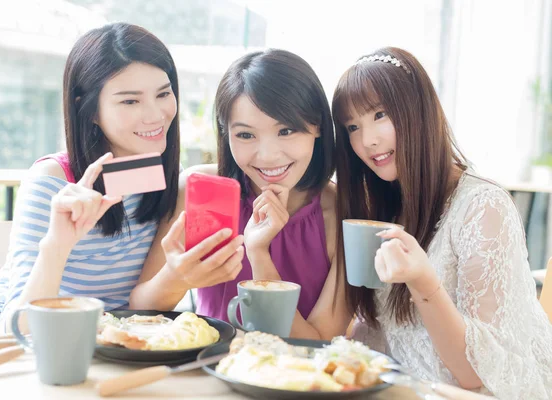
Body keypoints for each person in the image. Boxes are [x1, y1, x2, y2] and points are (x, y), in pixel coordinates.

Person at [331, 47, 552, 399]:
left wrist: (423, 282)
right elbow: (379, 329)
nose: (367, 140)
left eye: (380, 114)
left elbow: (475, 375)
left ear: (418, 112)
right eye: (352, 127)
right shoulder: (386, 206)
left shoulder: (483, 209)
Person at [0, 23, 187, 338]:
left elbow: (140, 304)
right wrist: (59, 244)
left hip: (95, 342)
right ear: (88, 109)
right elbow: (19, 326)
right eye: (130, 101)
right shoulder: (52, 181)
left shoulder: (164, 178)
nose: (156, 114)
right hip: (2, 340)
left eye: (163, 93)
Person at [130, 49, 350, 339]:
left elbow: (318, 343)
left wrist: (259, 255)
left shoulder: (342, 214)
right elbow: (140, 309)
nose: (268, 156)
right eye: (246, 135)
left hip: (294, 379)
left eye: (286, 131)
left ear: (318, 126)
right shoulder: (200, 190)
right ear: (226, 134)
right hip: (203, 372)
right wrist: (179, 277)